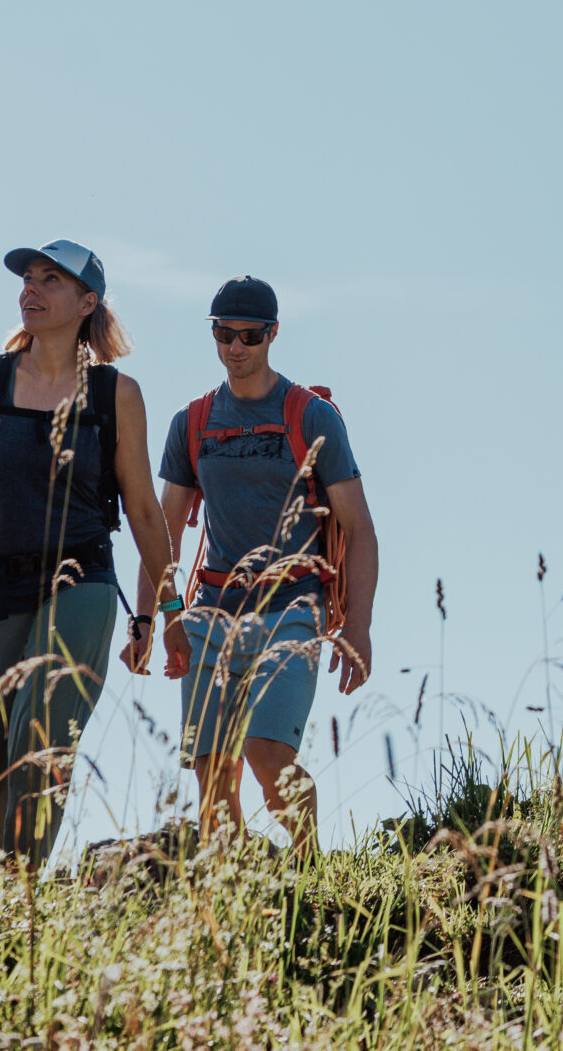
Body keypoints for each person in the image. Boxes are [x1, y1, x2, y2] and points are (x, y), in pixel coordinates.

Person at [0, 240, 177, 866]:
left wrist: (169, 610)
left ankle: (23, 896)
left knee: (41, 744)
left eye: (51, 280)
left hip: (81, 587)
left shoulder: (114, 395)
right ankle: (0, 900)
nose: (32, 289)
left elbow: (145, 512)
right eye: (27, 278)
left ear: (87, 302)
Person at [159, 276, 376, 854]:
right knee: (211, 771)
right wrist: (166, 615)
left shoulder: (312, 415)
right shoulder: (194, 421)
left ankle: (310, 872)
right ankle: (230, 900)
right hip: (211, 610)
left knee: (268, 758)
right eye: (224, 334)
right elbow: (162, 537)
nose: (236, 347)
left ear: (272, 333)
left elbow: (358, 527)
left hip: (292, 608)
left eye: (249, 336)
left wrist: (357, 626)